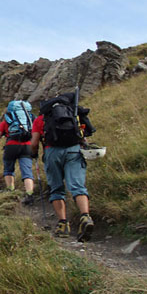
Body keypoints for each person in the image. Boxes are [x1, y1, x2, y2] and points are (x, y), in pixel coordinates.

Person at [29, 95, 94, 241]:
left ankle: (63, 225)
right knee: (77, 186)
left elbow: (34, 143)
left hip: (52, 152)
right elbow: (83, 135)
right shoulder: (73, 112)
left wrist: (33, 154)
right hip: (74, 150)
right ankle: (85, 216)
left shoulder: (41, 119)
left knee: (57, 188)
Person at [0, 110, 35, 205]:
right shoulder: (27, 121)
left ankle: (10, 190)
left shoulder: (6, 122)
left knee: (8, 169)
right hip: (27, 146)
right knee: (27, 171)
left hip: (11, 146)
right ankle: (29, 194)